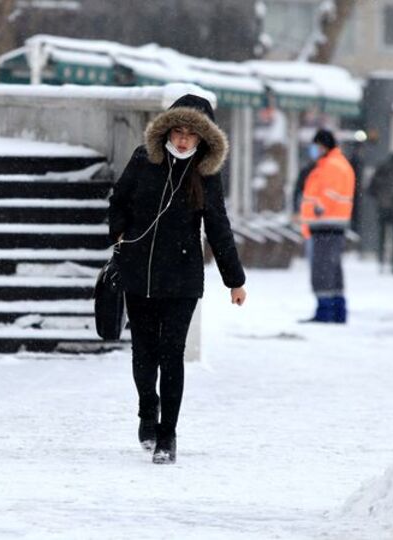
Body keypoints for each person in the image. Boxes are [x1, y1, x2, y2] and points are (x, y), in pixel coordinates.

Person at [107, 94, 246, 464]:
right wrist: (119, 233)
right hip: (139, 273)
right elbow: (118, 200)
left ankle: (168, 434)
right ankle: (146, 414)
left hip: (182, 279)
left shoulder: (205, 172)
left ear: (204, 139)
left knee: (171, 357)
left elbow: (218, 226)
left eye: (192, 134)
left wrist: (234, 279)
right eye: (178, 131)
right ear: (168, 130)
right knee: (143, 353)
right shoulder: (144, 158)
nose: (183, 140)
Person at [299, 128, 355, 323]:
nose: (313, 150)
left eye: (315, 145)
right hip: (333, 225)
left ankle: (325, 311)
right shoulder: (337, 164)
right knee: (333, 269)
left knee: (322, 269)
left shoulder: (331, 166)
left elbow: (327, 195)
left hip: (325, 224)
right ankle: (338, 309)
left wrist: (317, 209)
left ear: (323, 145)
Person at [367, 153, 393, 274]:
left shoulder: (380, 171)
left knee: (382, 237)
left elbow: (371, 189)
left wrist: (380, 199)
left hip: (381, 209)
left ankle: (381, 262)